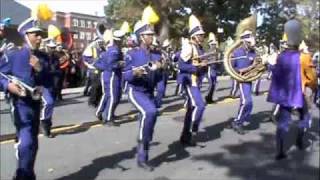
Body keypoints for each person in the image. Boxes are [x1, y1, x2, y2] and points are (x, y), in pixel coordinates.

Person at [0, 17, 46, 180]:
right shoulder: (12, 52)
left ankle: (28, 174)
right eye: (36, 34)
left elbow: (50, 79)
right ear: (26, 35)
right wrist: (8, 85)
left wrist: (39, 69)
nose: (40, 38)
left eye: (41, 34)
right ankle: (21, 175)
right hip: (19, 102)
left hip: (35, 102)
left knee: (33, 142)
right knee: (25, 142)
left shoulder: (41, 55)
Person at [267, 19, 317, 160]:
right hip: (300, 94)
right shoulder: (305, 57)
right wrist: (312, 87)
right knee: (305, 117)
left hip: (285, 95)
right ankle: (300, 140)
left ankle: (280, 150)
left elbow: (277, 75)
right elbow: (312, 78)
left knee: (283, 122)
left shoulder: (282, 56)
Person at [123, 19, 162, 171]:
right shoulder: (132, 54)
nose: (151, 37)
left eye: (152, 34)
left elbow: (162, 74)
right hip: (135, 90)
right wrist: (134, 73)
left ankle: (143, 148)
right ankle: (142, 157)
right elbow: (125, 75)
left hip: (149, 91)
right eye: (148, 34)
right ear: (141, 37)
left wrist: (162, 66)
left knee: (149, 121)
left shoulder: (157, 53)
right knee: (149, 112)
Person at [178, 14, 207, 146]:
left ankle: (185, 137)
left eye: (203, 35)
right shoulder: (188, 47)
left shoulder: (200, 48)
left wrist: (205, 66)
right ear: (194, 36)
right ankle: (193, 129)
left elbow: (201, 67)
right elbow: (181, 65)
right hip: (190, 81)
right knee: (200, 105)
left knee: (191, 109)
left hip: (197, 81)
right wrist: (195, 67)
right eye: (200, 35)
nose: (202, 37)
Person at [229, 15, 257, 135]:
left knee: (248, 103)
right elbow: (232, 67)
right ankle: (237, 122)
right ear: (244, 40)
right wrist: (239, 72)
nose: (251, 42)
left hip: (249, 79)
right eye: (249, 40)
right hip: (241, 79)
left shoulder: (253, 52)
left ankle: (240, 120)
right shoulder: (236, 51)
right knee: (247, 101)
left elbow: (257, 65)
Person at [94, 29, 125, 125]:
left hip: (108, 74)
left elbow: (98, 63)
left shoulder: (111, 49)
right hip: (112, 75)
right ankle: (108, 118)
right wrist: (121, 63)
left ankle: (100, 112)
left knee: (107, 95)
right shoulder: (114, 50)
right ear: (119, 40)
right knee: (113, 96)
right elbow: (112, 64)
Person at [205, 32, 219, 104]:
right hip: (210, 69)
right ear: (210, 44)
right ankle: (207, 97)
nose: (214, 45)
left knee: (214, 84)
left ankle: (210, 98)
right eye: (213, 44)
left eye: (215, 44)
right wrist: (209, 62)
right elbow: (205, 60)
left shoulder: (217, 51)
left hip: (215, 69)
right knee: (211, 84)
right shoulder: (208, 52)